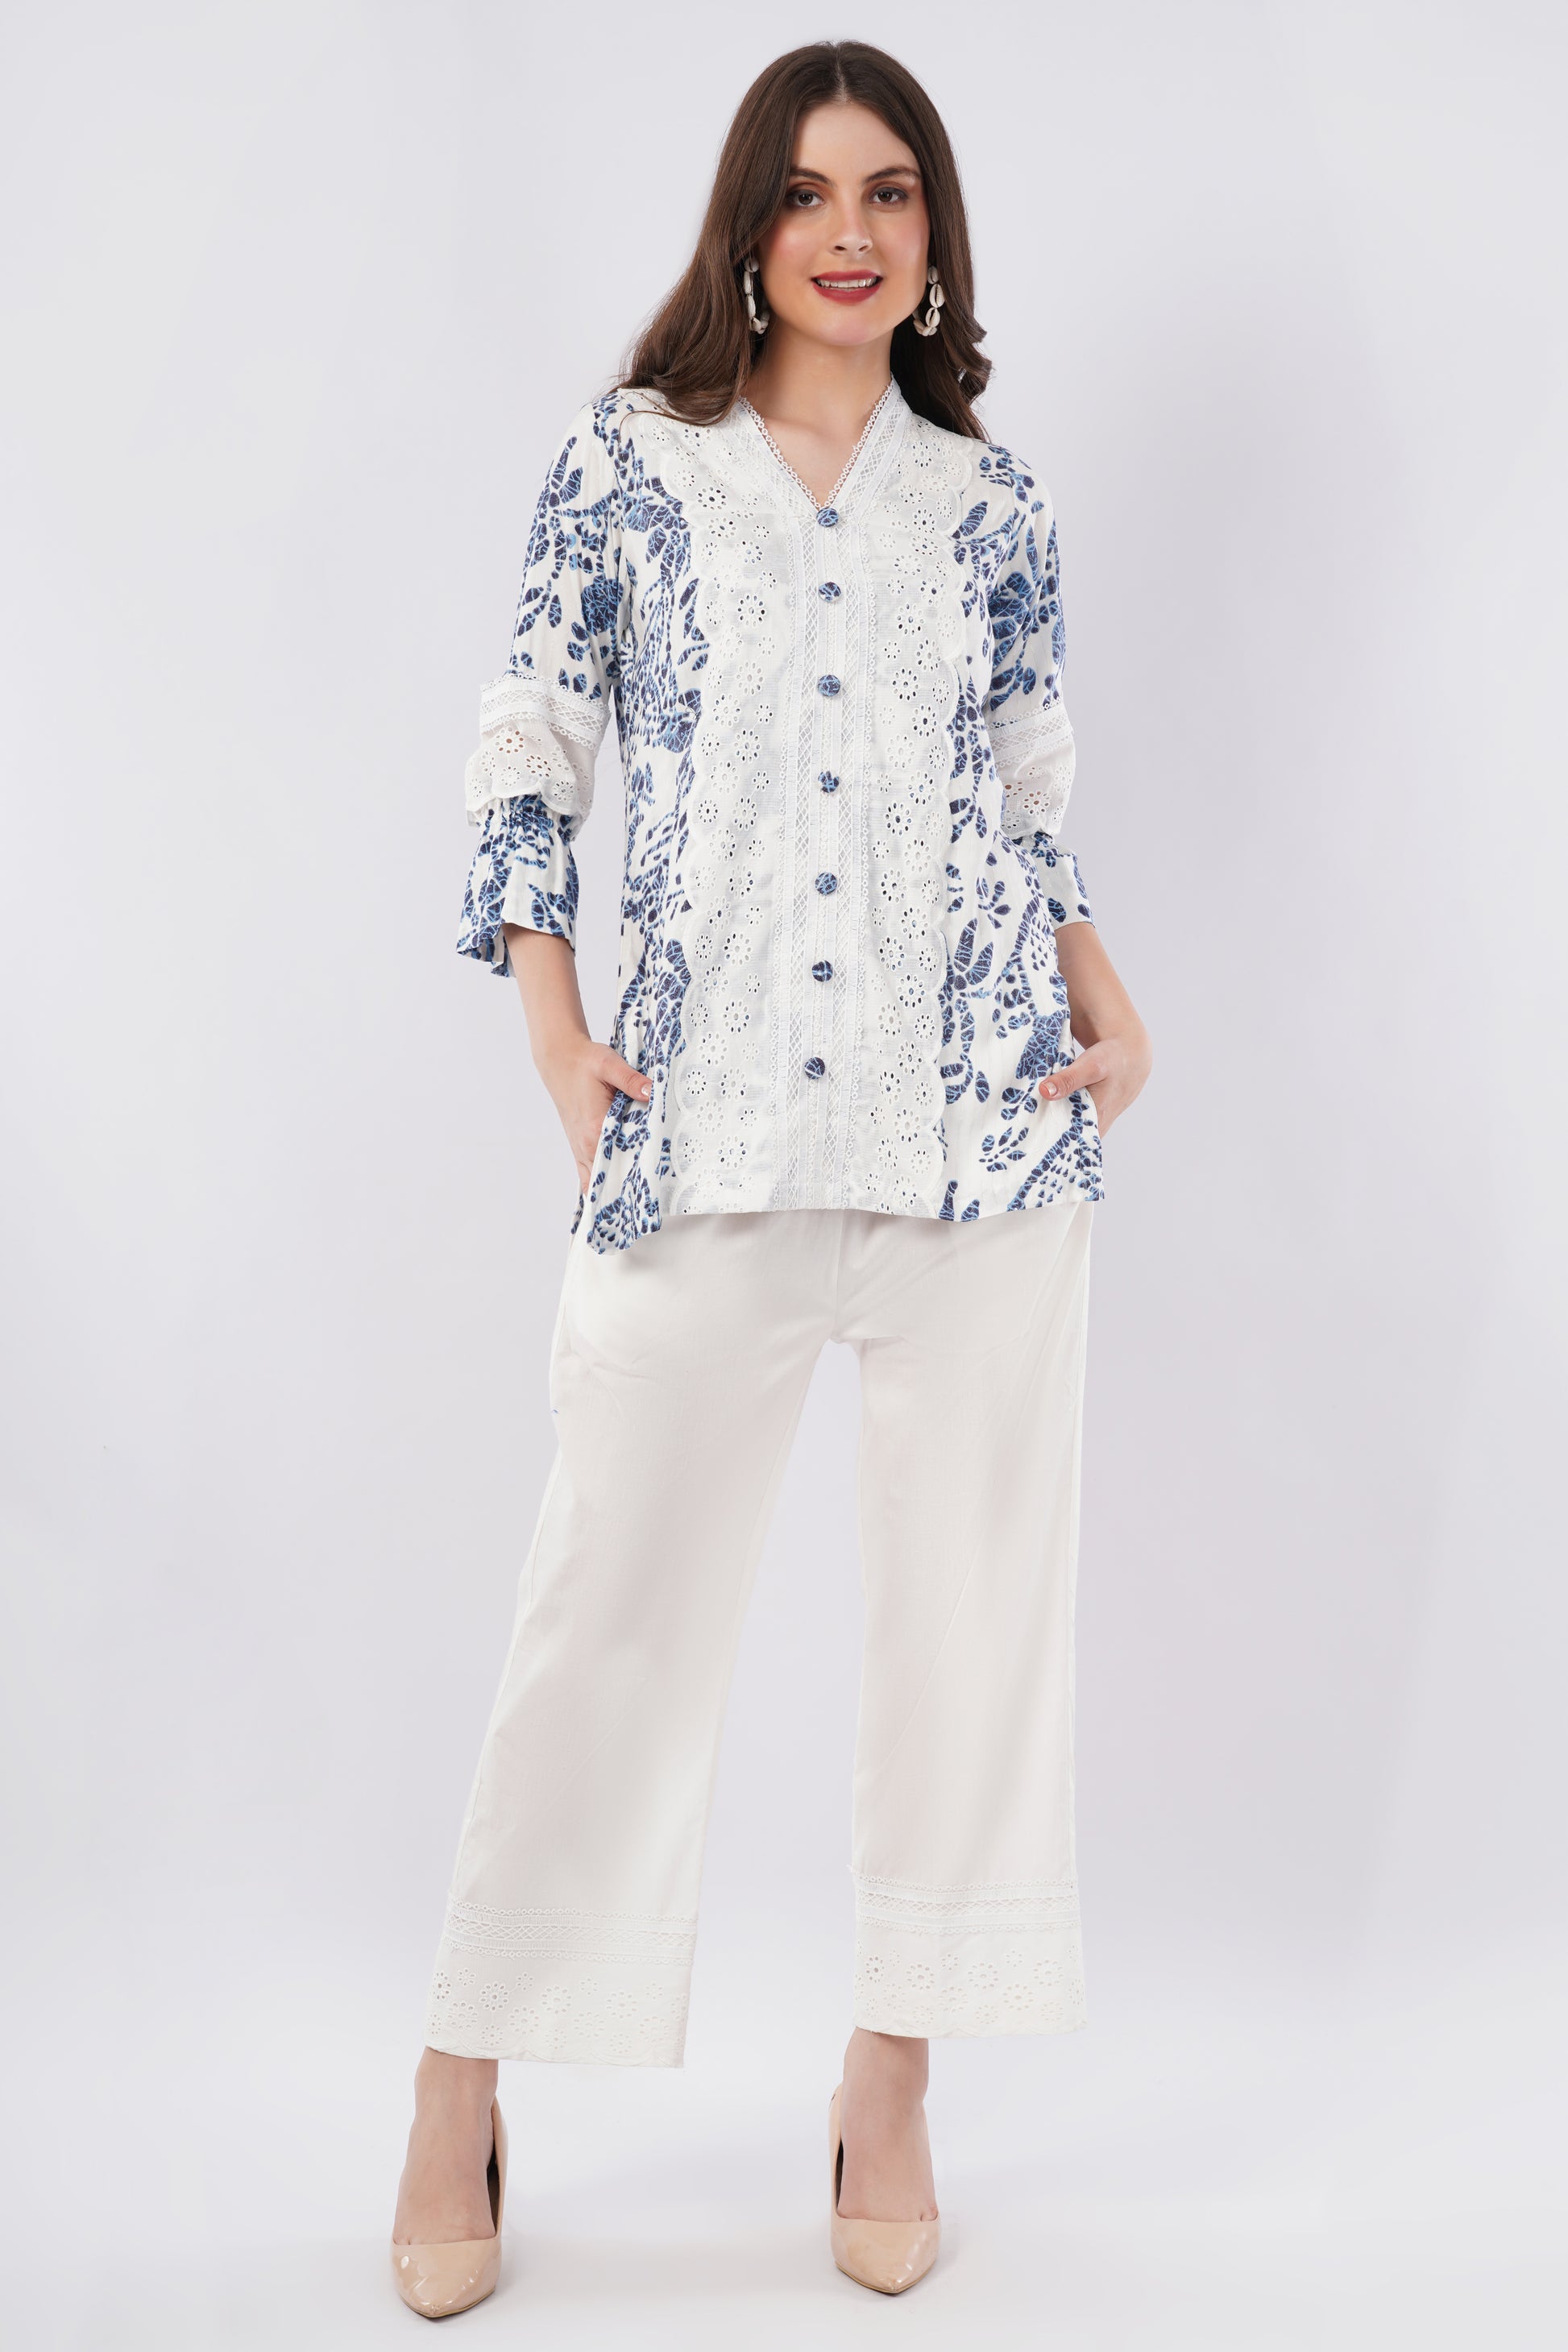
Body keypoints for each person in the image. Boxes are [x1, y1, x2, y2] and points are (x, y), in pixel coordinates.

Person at [391, 38, 1151, 2316]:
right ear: (748, 227)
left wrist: (1111, 1003)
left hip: (978, 1139)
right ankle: (457, 2072)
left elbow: (1025, 794)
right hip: (698, 1138)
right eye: (810, 192)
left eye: (890, 193)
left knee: (970, 1631)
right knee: (601, 1614)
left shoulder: (989, 505)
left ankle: (888, 2077)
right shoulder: (632, 469)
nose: (850, 230)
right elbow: (527, 748)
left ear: (934, 241)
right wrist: (555, 1041)